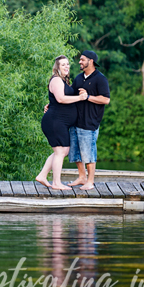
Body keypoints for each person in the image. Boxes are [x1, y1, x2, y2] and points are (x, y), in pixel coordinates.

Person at [36, 55, 88, 190]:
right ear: (57, 67)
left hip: (60, 122)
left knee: (63, 151)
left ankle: (42, 175)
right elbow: (60, 99)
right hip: (55, 122)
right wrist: (80, 97)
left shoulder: (63, 81)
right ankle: (56, 183)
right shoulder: (57, 80)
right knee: (60, 152)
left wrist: (50, 104)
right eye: (63, 64)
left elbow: (56, 99)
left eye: (68, 64)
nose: (66, 66)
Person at [67, 50, 110, 190]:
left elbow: (106, 99)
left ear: (91, 61)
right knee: (76, 152)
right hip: (75, 121)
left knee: (88, 153)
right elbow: (70, 95)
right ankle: (81, 177)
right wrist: (52, 103)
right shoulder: (79, 78)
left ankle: (90, 182)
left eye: (82, 59)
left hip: (89, 123)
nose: (80, 61)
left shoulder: (100, 79)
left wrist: (88, 97)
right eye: (80, 59)